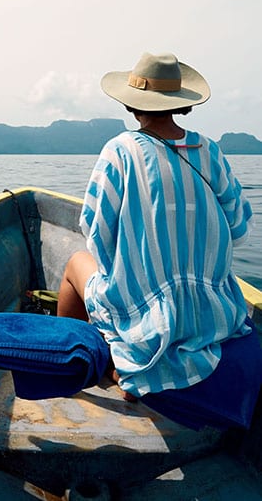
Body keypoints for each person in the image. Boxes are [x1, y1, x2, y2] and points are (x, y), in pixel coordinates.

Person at [58, 52, 255, 406]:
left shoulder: (120, 150)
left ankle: (87, 366)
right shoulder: (210, 151)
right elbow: (240, 231)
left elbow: (95, 234)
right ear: (181, 103)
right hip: (212, 316)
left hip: (145, 319)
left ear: (132, 105)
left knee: (76, 262)